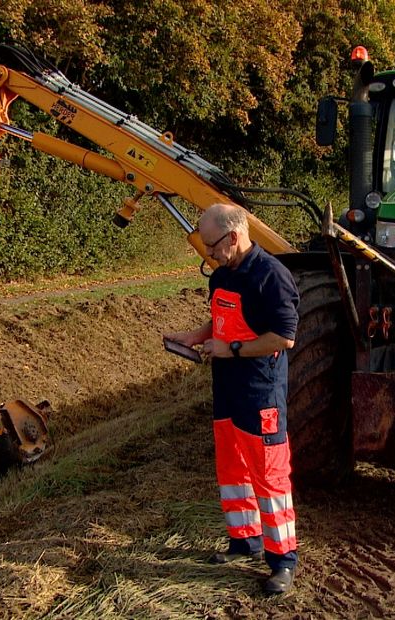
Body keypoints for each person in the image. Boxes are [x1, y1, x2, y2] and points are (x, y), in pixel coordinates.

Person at [163, 203, 301, 595]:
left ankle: (282, 561)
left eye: (211, 246)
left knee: (269, 478)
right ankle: (244, 541)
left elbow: (284, 337)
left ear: (234, 236)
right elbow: (219, 318)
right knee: (233, 470)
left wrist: (233, 350)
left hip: (261, 392)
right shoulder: (223, 274)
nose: (209, 254)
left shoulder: (272, 276)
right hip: (226, 391)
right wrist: (195, 337)